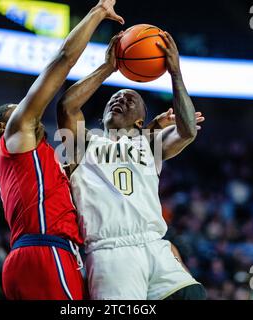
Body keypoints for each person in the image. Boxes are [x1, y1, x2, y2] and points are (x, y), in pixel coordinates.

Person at [0, 0, 124, 300]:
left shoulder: (37, 157)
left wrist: (109, 68)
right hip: (45, 252)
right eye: (15, 107)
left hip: (38, 255)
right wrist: (99, 11)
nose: (23, 106)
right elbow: (62, 60)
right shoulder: (16, 133)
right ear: (0, 127)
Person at [57, 31, 206, 299]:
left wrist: (175, 73)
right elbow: (67, 106)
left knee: (193, 294)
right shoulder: (82, 144)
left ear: (140, 121)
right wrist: (108, 67)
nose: (119, 99)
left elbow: (188, 130)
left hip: (154, 244)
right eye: (114, 98)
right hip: (111, 252)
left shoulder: (150, 144)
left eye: (130, 99)